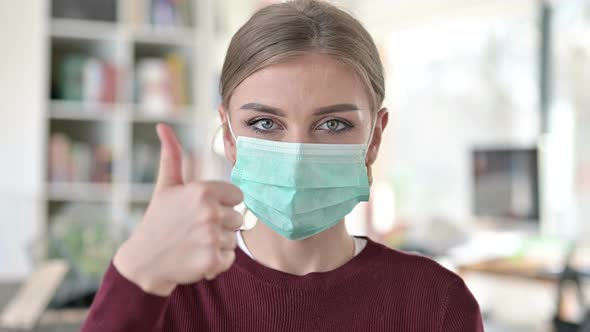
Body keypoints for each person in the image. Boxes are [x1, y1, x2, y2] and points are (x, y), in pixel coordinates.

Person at [81, 0, 484, 331]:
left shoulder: (435, 302)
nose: (296, 155)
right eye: (265, 123)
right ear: (228, 135)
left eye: (332, 124)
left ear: (374, 138)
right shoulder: (168, 294)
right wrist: (134, 269)